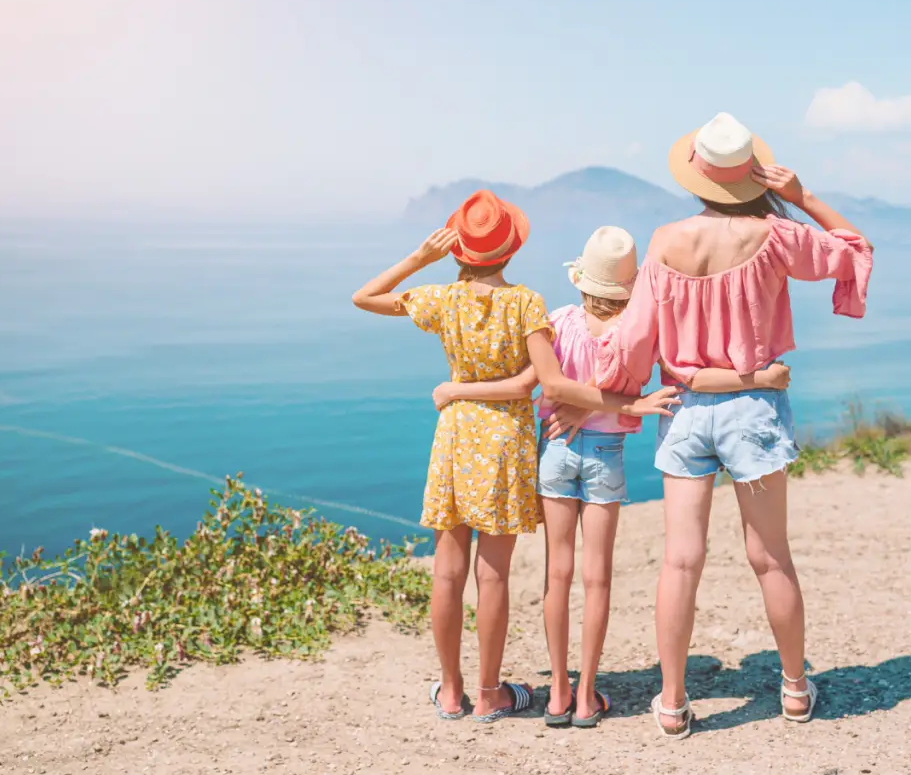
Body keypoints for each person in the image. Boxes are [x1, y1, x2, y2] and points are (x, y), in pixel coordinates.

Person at [435, 224, 792, 728]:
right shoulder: (639, 333)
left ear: (582, 281)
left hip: (555, 448)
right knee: (597, 578)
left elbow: (544, 383)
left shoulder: (556, 321)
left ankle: (557, 694)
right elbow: (678, 374)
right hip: (607, 454)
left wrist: (467, 390)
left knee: (557, 574)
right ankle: (586, 698)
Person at [592, 112, 875, 738]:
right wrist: (803, 198)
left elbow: (635, 339)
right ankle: (796, 691)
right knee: (771, 558)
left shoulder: (665, 240)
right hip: (754, 409)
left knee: (680, 561)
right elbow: (854, 251)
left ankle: (671, 703)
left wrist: (619, 389)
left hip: (686, 410)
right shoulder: (777, 234)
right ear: (752, 177)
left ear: (696, 177)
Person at [351, 192, 679, 724]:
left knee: (446, 573)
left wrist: (420, 259)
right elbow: (538, 382)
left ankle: (452, 693)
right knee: (494, 577)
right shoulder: (527, 304)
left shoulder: (442, 299)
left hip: (455, 439)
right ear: (510, 250)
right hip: (503, 442)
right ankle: (489, 693)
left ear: (457, 250)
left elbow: (365, 297)